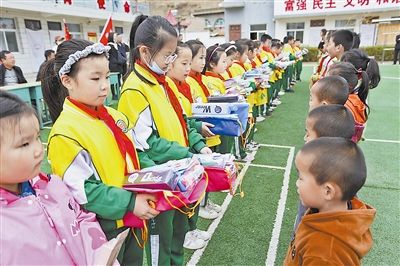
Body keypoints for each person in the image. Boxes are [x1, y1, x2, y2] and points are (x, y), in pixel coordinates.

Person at [41, 39, 159, 265]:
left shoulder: (112, 117)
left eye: (107, 76)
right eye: (95, 78)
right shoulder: (65, 133)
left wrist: (161, 174)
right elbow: (84, 191)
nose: (105, 85)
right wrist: (130, 203)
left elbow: (133, 157)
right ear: (67, 81)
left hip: (131, 217)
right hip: (104, 229)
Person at [118, 15, 211, 266]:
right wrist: (187, 155)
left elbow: (180, 122)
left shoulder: (162, 82)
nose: (170, 61)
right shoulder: (134, 89)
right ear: (146, 51)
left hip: (178, 174)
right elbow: (146, 144)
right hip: (160, 181)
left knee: (177, 238)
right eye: (167, 55)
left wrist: (194, 149)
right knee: (162, 246)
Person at [0, 90, 111, 265]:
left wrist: (100, 257)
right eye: (24, 144)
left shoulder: (53, 185)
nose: (38, 149)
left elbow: (82, 220)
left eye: (37, 138)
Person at [284, 137, 375, 266]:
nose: (297, 183)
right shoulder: (321, 212)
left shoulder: (325, 253)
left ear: (328, 191)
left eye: (301, 178)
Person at [166, 41, 217, 249]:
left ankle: (191, 227)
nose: (188, 67)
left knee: (193, 193)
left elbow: (185, 121)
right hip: (178, 153)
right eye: (184, 62)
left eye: (190, 62)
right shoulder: (167, 86)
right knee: (182, 199)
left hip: (190, 145)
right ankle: (186, 232)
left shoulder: (183, 85)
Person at [107, 32, 123, 100]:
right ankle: (114, 94)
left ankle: (118, 92)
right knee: (113, 81)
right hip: (113, 65)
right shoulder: (109, 46)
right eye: (115, 36)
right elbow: (109, 56)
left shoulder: (116, 45)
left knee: (119, 80)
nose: (116, 37)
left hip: (118, 65)